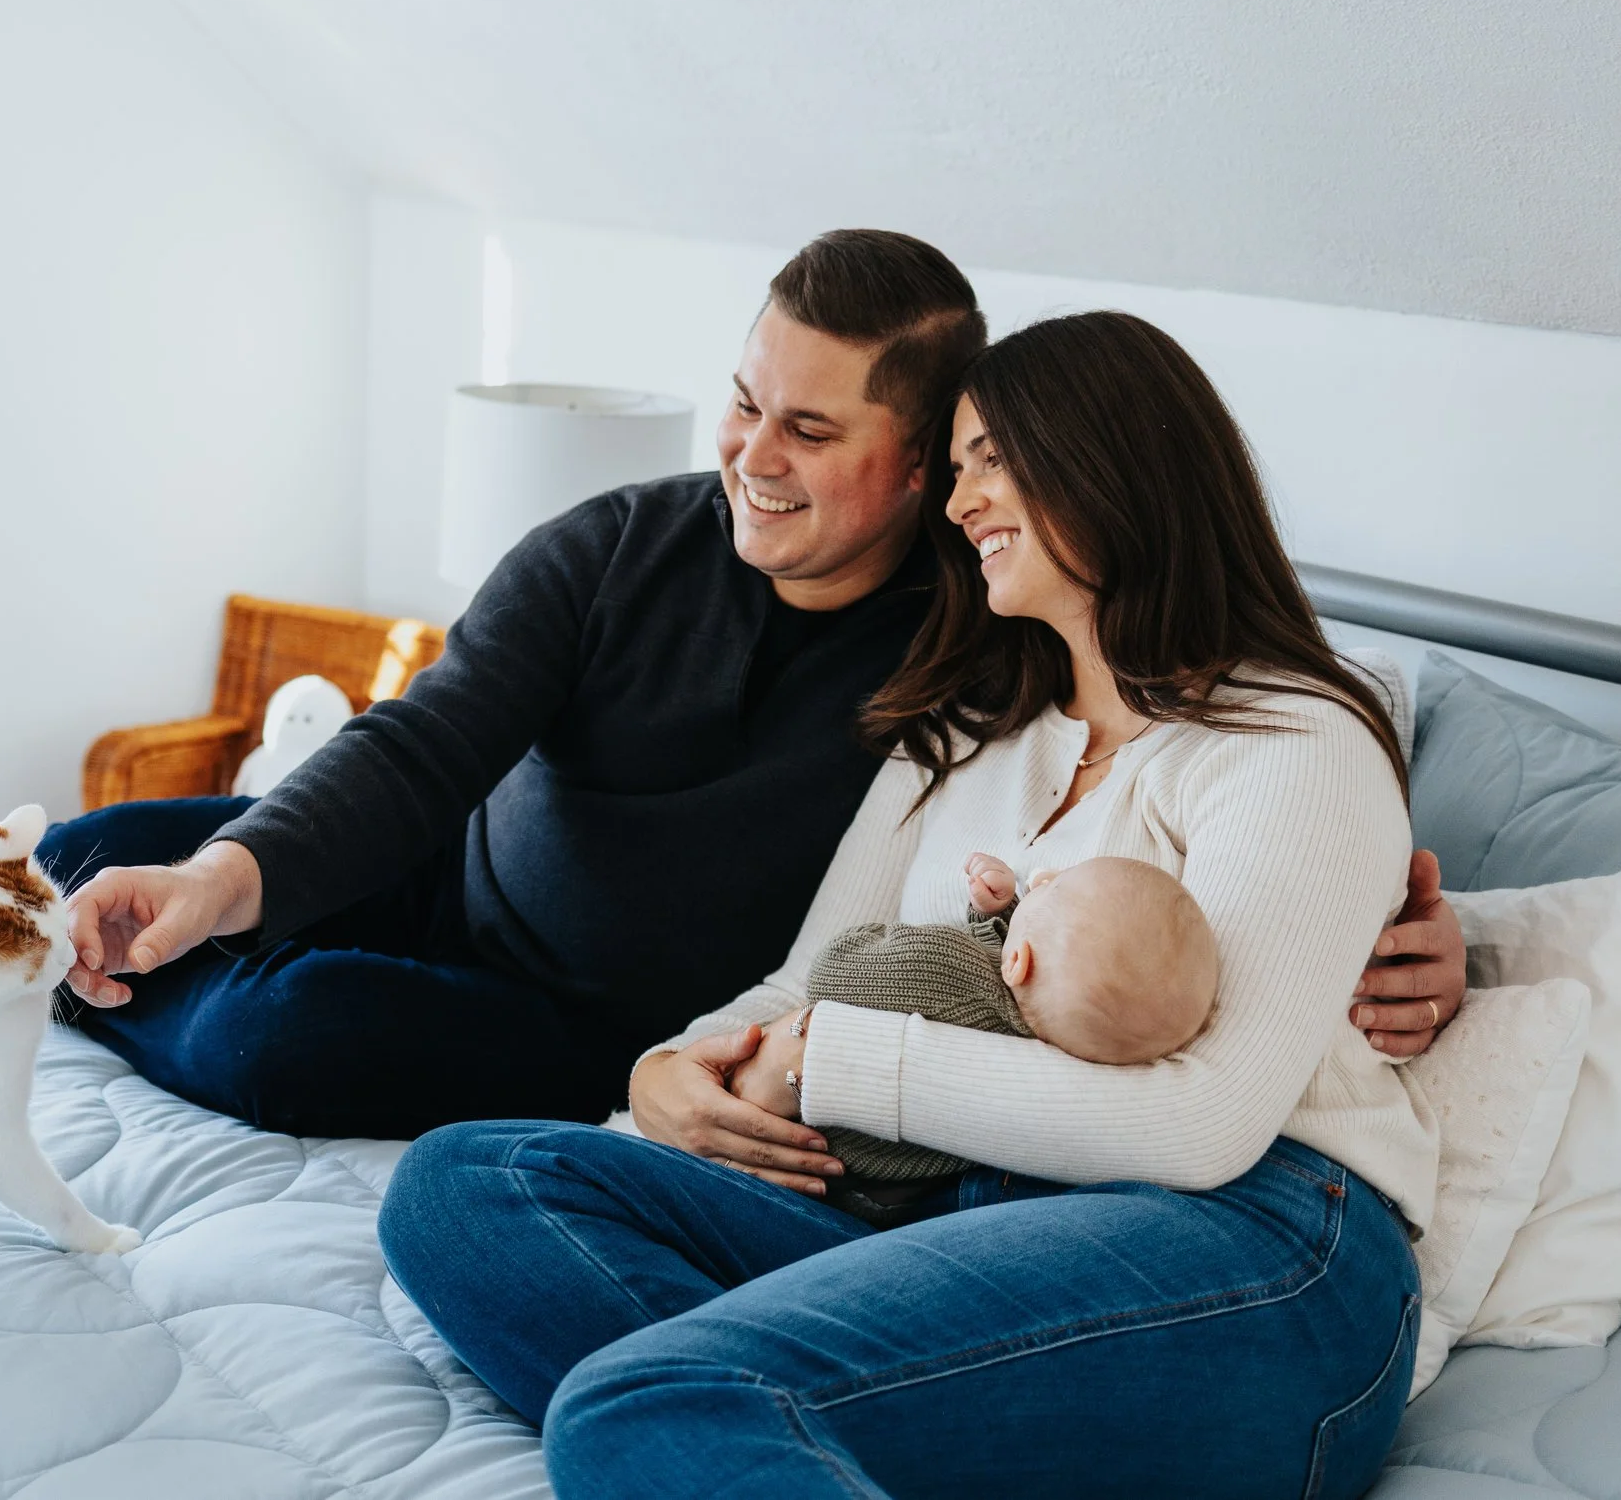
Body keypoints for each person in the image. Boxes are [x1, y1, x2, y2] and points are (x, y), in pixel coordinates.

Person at [46, 232, 1464, 1142]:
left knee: (280, 1031)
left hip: (592, 1017)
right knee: (83, 854)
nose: (748, 453)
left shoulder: (992, 634)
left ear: (920, 465)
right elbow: (426, 742)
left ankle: (161, 978)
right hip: (449, 884)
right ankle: (167, 933)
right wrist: (223, 875)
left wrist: (1404, 937)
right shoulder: (614, 544)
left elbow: (1198, 722)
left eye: (806, 425)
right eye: (741, 400)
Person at [378, 311, 1439, 1500]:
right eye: (958, 463)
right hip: (935, 1208)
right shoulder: (964, 730)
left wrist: (831, 1060)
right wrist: (667, 1068)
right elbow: (808, 976)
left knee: (642, 1403)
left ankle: (737, 1409)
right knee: (464, 1188)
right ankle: (797, 1419)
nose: (956, 500)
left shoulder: (1290, 735)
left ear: (1109, 460)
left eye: (992, 458)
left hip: (1248, 1239)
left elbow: (1200, 1127)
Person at [795, 852, 1218, 1225]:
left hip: (839, 1170)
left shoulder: (943, 965)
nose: (1042, 877)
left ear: (1016, 961)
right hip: (896, 1189)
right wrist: (1002, 913)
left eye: (1054, 889)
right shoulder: (1063, 1039)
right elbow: (1009, 992)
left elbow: (831, 973)